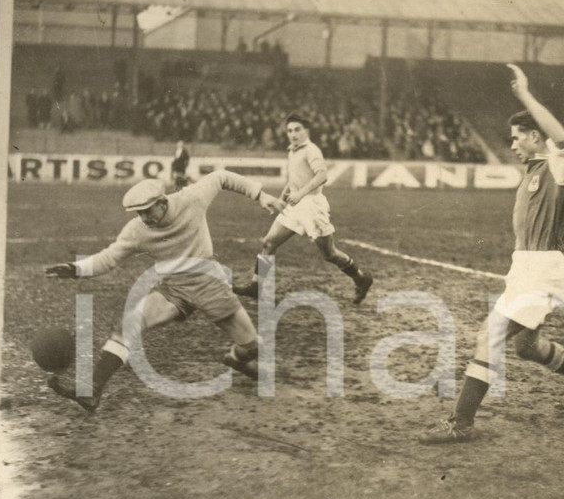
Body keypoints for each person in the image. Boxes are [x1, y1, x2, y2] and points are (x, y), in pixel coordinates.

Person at [420, 64, 564, 445]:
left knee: (488, 336)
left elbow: (562, 138)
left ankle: (462, 422)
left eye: (517, 137)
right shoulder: (532, 171)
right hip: (526, 267)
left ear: (536, 137)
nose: (512, 145)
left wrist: (524, 94)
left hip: (541, 268)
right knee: (526, 346)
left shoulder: (560, 167)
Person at [44, 172, 285, 412]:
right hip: (174, 288)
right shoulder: (137, 230)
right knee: (128, 325)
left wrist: (260, 195)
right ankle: (92, 391)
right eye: (139, 213)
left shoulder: (191, 199)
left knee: (253, 348)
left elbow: (221, 177)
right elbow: (109, 257)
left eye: (148, 210)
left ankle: (235, 358)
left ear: (162, 202)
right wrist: (75, 268)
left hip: (209, 283)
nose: (144, 218)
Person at [232, 113, 374, 305]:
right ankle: (257, 287)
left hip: (312, 207)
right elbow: (293, 179)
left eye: (297, 129)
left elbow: (322, 175)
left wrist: (301, 193)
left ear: (306, 131)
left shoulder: (311, 150)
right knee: (269, 243)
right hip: (294, 206)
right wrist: (281, 199)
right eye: (290, 130)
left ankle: (361, 279)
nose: (293, 134)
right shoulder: (292, 151)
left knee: (329, 254)